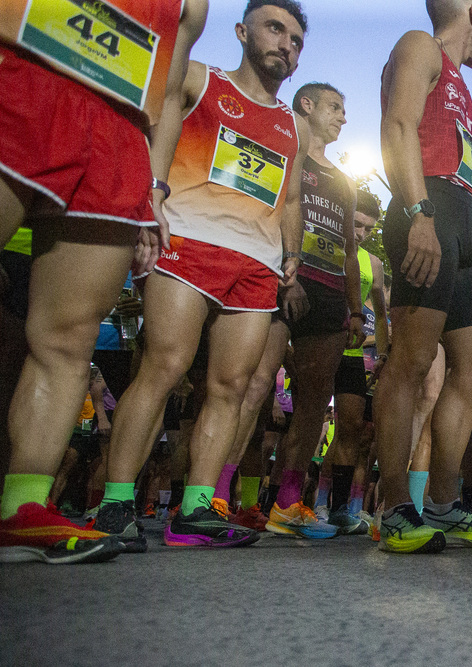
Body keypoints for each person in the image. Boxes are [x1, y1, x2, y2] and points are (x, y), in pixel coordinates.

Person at [95, 0, 309, 550]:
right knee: (164, 368)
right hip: (189, 241)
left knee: (232, 388)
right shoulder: (198, 79)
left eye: (296, 40)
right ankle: (115, 502)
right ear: (242, 31)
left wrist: (292, 256)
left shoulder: (293, 126)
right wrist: (153, 196)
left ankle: (195, 509)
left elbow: (291, 196)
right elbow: (158, 124)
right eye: (275, 28)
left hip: (257, 262)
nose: (286, 44)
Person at [0, 0, 207, 563]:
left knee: (68, 337)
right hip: (22, 74)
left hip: (117, 132)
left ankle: (21, 508)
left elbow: (165, 94)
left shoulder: (194, 5)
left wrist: (154, 190)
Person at [377, 0, 472, 553]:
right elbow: (399, 125)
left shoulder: (463, 88)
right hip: (426, 211)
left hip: (464, 231)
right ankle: (393, 508)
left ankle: (445, 503)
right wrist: (417, 213)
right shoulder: (419, 45)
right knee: (409, 362)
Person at [255, 81, 366, 539]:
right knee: (254, 388)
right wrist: (288, 275)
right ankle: (221, 497)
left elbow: (348, 250)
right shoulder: (282, 147)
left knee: (313, 407)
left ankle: (287, 503)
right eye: (335, 108)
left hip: (330, 295)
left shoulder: (344, 181)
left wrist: (355, 310)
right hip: (280, 281)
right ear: (307, 105)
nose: (343, 117)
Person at [324, 193, 389, 534]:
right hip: (317, 343)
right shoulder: (322, 243)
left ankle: (337, 510)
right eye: (357, 224)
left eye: (368, 228)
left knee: (350, 430)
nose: (361, 233)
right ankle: (289, 500)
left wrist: (383, 354)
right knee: (306, 423)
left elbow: (379, 313)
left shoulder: (373, 263)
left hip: (351, 354)